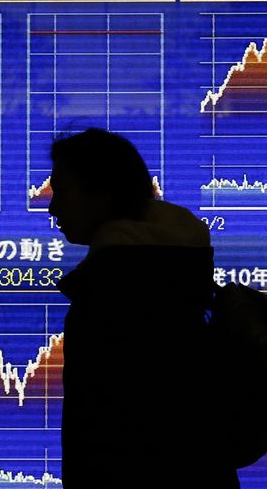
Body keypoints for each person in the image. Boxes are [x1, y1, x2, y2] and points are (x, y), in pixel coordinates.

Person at [48, 128, 240, 488]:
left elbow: (102, 437)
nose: (52, 206)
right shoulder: (175, 276)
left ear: (102, 196)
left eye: (62, 191)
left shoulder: (113, 293)